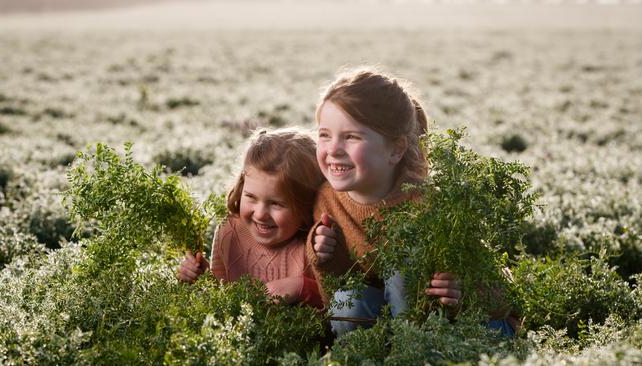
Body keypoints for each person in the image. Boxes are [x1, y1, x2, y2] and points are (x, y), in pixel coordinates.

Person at [307, 66, 516, 336]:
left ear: (395, 150)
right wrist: (325, 257)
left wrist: (463, 292)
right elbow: (336, 295)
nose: (333, 149)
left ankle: (414, 351)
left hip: (466, 329)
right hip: (397, 320)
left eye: (351, 137)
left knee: (402, 268)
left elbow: (502, 290)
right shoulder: (327, 199)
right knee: (349, 303)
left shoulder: (429, 204)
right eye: (325, 134)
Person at [178, 128, 324, 307]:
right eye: (251, 197)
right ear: (241, 188)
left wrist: (302, 287)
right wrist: (200, 277)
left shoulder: (314, 244)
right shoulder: (230, 231)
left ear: (305, 206)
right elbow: (222, 298)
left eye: (276, 203)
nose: (260, 214)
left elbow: (335, 308)